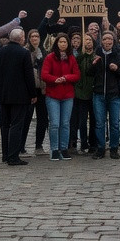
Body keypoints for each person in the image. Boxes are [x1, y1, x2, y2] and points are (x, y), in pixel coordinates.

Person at [0, 28, 36, 165]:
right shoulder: (24, 53)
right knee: (17, 125)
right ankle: (13, 156)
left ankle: (5, 154)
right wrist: (33, 94)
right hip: (20, 96)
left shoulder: (0, 52)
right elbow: (29, 75)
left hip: (4, 94)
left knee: (5, 125)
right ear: (21, 38)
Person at [89, 29, 120, 159]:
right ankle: (101, 148)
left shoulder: (119, 56)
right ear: (101, 41)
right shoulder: (97, 55)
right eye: (105, 39)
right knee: (100, 123)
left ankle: (114, 148)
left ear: (114, 41)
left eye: (110, 39)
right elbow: (89, 73)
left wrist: (117, 69)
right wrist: (93, 65)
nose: (107, 41)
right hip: (99, 94)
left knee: (115, 123)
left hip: (114, 95)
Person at [40, 32, 79, 162]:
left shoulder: (71, 58)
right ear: (56, 43)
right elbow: (44, 74)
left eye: (65, 42)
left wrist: (66, 78)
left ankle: (64, 148)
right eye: (60, 42)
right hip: (53, 95)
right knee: (55, 123)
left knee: (65, 123)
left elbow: (77, 75)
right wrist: (55, 79)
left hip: (67, 95)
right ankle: (54, 149)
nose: (63, 44)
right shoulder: (50, 57)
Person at [73, 34, 98, 155]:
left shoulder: (96, 56)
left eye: (89, 40)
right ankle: (83, 143)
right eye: (85, 40)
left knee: (94, 119)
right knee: (82, 121)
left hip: (93, 91)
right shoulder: (79, 57)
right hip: (81, 92)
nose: (88, 42)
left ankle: (93, 143)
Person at [25, 30, 49, 156]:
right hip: (29, 90)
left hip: (42, 89)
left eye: (37, 36)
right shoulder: (25, 51)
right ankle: (21, 146)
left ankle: (39, 145)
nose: (35, 38)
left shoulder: (44, 52)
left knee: (43, 118)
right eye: (32, 36)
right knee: (26, 118)